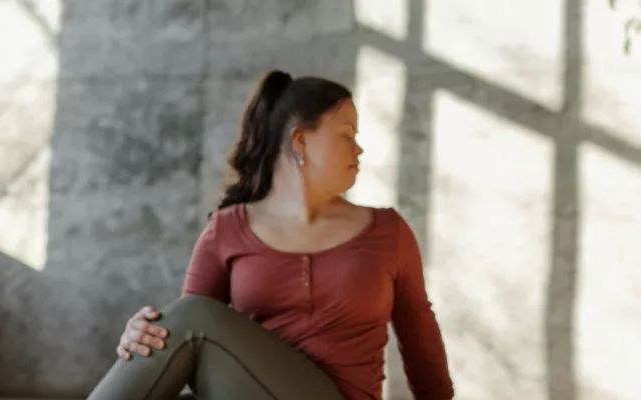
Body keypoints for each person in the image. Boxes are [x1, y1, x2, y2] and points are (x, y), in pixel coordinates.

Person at [88, 70, 453, 400]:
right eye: (346, 134)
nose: (358, 149)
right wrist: (142, 337)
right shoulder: (227, 230)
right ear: (301, 142)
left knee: (193, 318)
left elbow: (420, 339)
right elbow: (184, 347)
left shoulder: (388, 232)